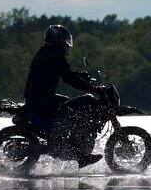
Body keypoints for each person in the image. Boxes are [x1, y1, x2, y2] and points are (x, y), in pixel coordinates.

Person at [24, 24, 103, 167]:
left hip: (40, 96)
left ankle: (68, 145)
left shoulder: (48, 53)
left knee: (68, 104)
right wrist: (92, 88)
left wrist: (80, 76)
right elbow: (67, 77)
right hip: (40, 98)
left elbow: (63, 72)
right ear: (56, 39)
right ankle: (67, 148)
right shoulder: (53, 55)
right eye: (65, 40)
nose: (67, 44)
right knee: (70, 113)